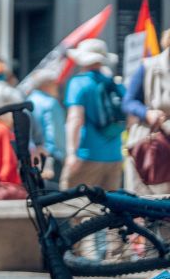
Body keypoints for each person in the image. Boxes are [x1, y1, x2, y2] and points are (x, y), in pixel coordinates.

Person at [60, 39, 124, 192]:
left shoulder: (78, 83)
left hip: (86, 156)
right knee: (109, 211)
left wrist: (71, 153)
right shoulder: (115, 84)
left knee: (73, 207)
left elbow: (75, 118)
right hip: (114, 157)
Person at [123, 29, 170, 196]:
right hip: (150, 142)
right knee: (144, 204)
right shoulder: (149, 66)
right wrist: (147, 113)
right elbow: (128, 102)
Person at [28, 69, 67, 183]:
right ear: (46, 85)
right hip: (50, 158)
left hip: (32, 157)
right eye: (54, 83)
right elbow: (55, 134)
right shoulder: (50, 103)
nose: (57, 86)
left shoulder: (28, 100)